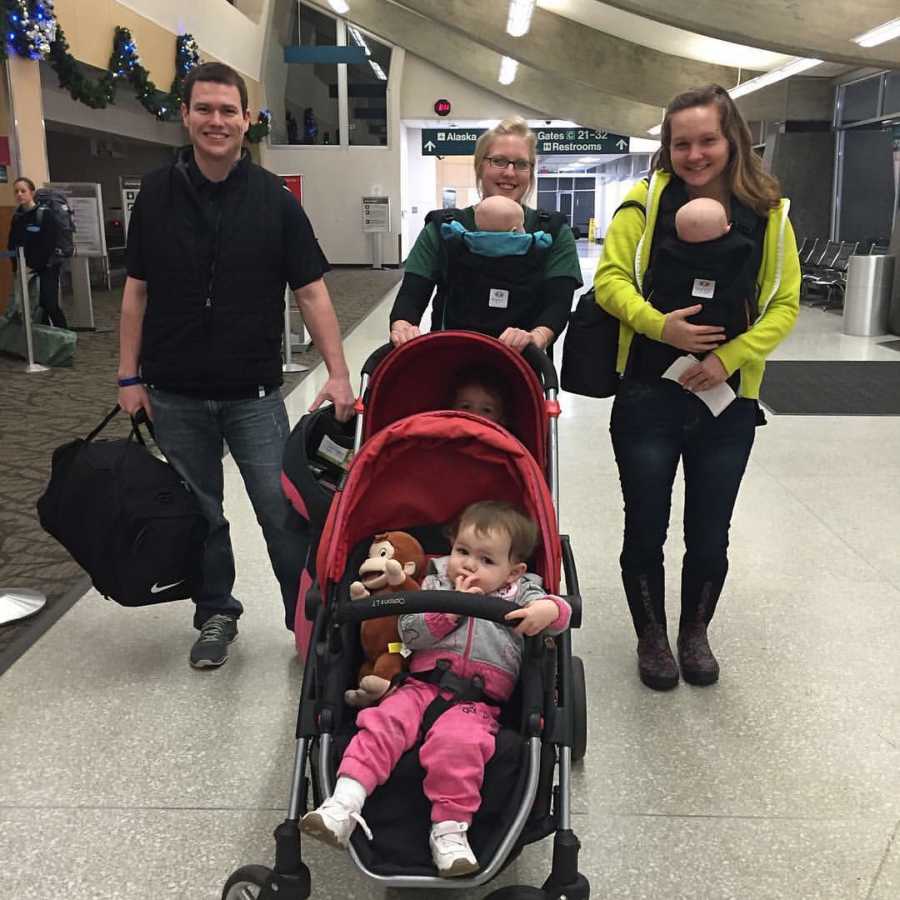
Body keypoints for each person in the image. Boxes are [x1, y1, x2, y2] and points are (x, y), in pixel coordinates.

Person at [117, 61, 354, 669]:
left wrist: (338, 370)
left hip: (253, 395)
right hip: (173, 392)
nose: (216, 121)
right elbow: (136, 291)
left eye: (229, 110)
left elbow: (312, 290)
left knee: (282, 511)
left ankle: (306, 621)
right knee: (202, 513)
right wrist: (128, 375)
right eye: (205, 109)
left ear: (247, 119)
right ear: (186, 115)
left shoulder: (274, 202)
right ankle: (217, 613)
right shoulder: (156, 194)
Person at [594, 84, 800, 691]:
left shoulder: (771, 214)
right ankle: (652, 638)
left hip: (726, 402)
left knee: (710, 530)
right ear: (668, 147)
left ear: (731, 139)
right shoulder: (645, 202)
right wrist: (663, 327)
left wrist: (730, 358)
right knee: (645, 526)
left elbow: (785, 303)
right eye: (681, 142)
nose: (695, 153)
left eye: (707, 139)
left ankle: (695, 633)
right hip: (648, 397)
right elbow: (609, 281)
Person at [301, 500, 571, 877]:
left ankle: (448, 833)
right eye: (462, 551)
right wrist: (453, 606)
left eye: (487, 560)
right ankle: (343, 804)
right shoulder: (436, 581)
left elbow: (560, 615)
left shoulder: (522, 591)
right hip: (418, 685)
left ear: (515, 570)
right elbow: (410, 630)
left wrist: (549, 611)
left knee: (458, 748)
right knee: (381, 723)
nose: (469, 565)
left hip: (477, 703)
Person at [390, 116, 582, 352]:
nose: (510, 172)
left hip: (522, 366)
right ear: (480, 166)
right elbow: (411, 296)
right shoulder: (442, 229)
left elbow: (558, 303)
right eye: (499, 161)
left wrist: (537, 337)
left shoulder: (552, 232)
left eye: (521, 164)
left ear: (531, 172)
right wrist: (403, 327)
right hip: (450, 357)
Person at [7, 177, 68, 329]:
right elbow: (12, 243)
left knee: (49, 303)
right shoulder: (17, 216)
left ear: (32, 193)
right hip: (24, 267)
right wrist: (16, 267)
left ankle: (65, 337)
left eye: (23, 191)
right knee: (33, 305)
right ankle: (43, 340)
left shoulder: (44, 215)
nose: (19, 194)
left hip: (47, 266)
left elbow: (48, 244)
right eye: (16, 192)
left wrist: (33, 265)